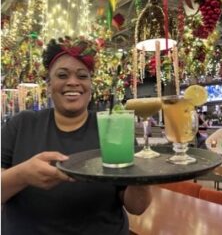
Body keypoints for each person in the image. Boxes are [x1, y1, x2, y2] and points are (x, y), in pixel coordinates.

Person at [1, 39, 151, 234]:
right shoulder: (21, 125)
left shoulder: (114, 127)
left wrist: (144, 177)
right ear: (49, 84)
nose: (73, 82)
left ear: (90, 85)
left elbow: (137, 207)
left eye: (82, 76)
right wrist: (22, 175)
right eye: (62, 75)